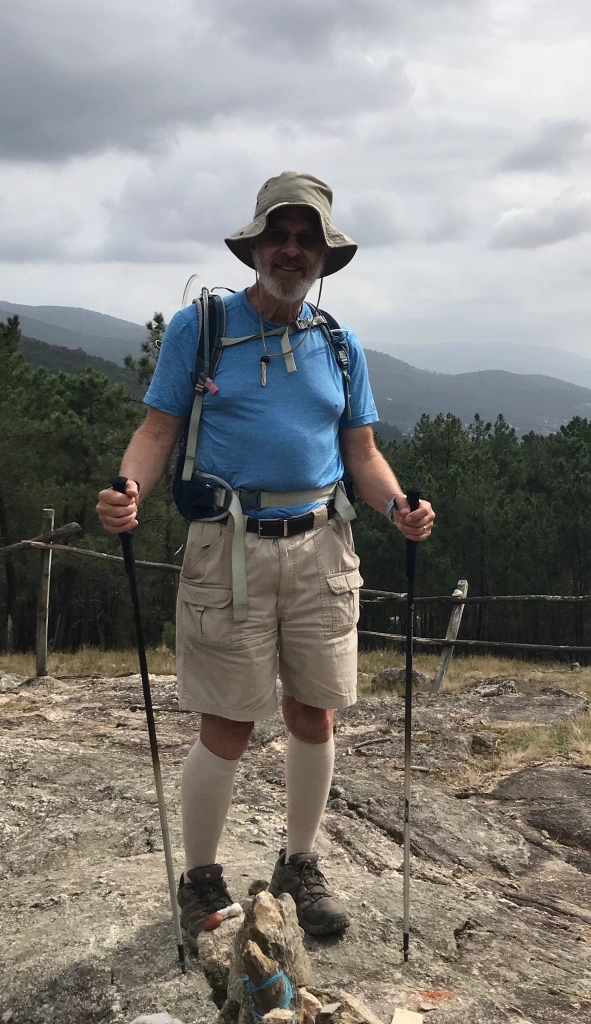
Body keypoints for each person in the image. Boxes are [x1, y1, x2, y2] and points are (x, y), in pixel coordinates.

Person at [96, 171, 435, 947]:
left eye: (305, 238)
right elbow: (158, 431)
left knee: (313, 713)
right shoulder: (202, 327)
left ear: (323, 254)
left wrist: (397, 508)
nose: (290, 250)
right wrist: (128, 488)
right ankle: (202, 879)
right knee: (228, 722)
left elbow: (364, 453)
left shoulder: (340, 345)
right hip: (229, 549)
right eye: (278, 236)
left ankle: (299, 864)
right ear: (255, 246)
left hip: (322, 546)